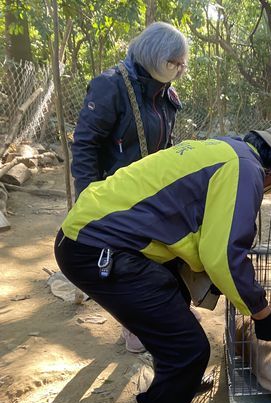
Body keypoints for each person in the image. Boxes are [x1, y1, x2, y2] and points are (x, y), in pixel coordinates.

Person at [54, 119, 271, 403]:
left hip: (96, 235)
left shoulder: (226, 149)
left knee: (175, 300)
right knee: (188, 351)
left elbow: (205, 235)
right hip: (95, 247)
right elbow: (223, 257)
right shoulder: (245, 170)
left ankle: (178, 381)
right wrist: (264, 314)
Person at [70, 21, 188, 352]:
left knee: (155, 254)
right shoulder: (110, 86)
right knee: (123, 256)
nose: (180, 71)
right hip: (114, 192)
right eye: (174, 63)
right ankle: (133, 324)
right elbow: (85, 145)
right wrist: (86, 197)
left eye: (182, 65)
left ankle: (150, 316)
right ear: (154, 55)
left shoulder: (167, 93)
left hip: (152, 193)